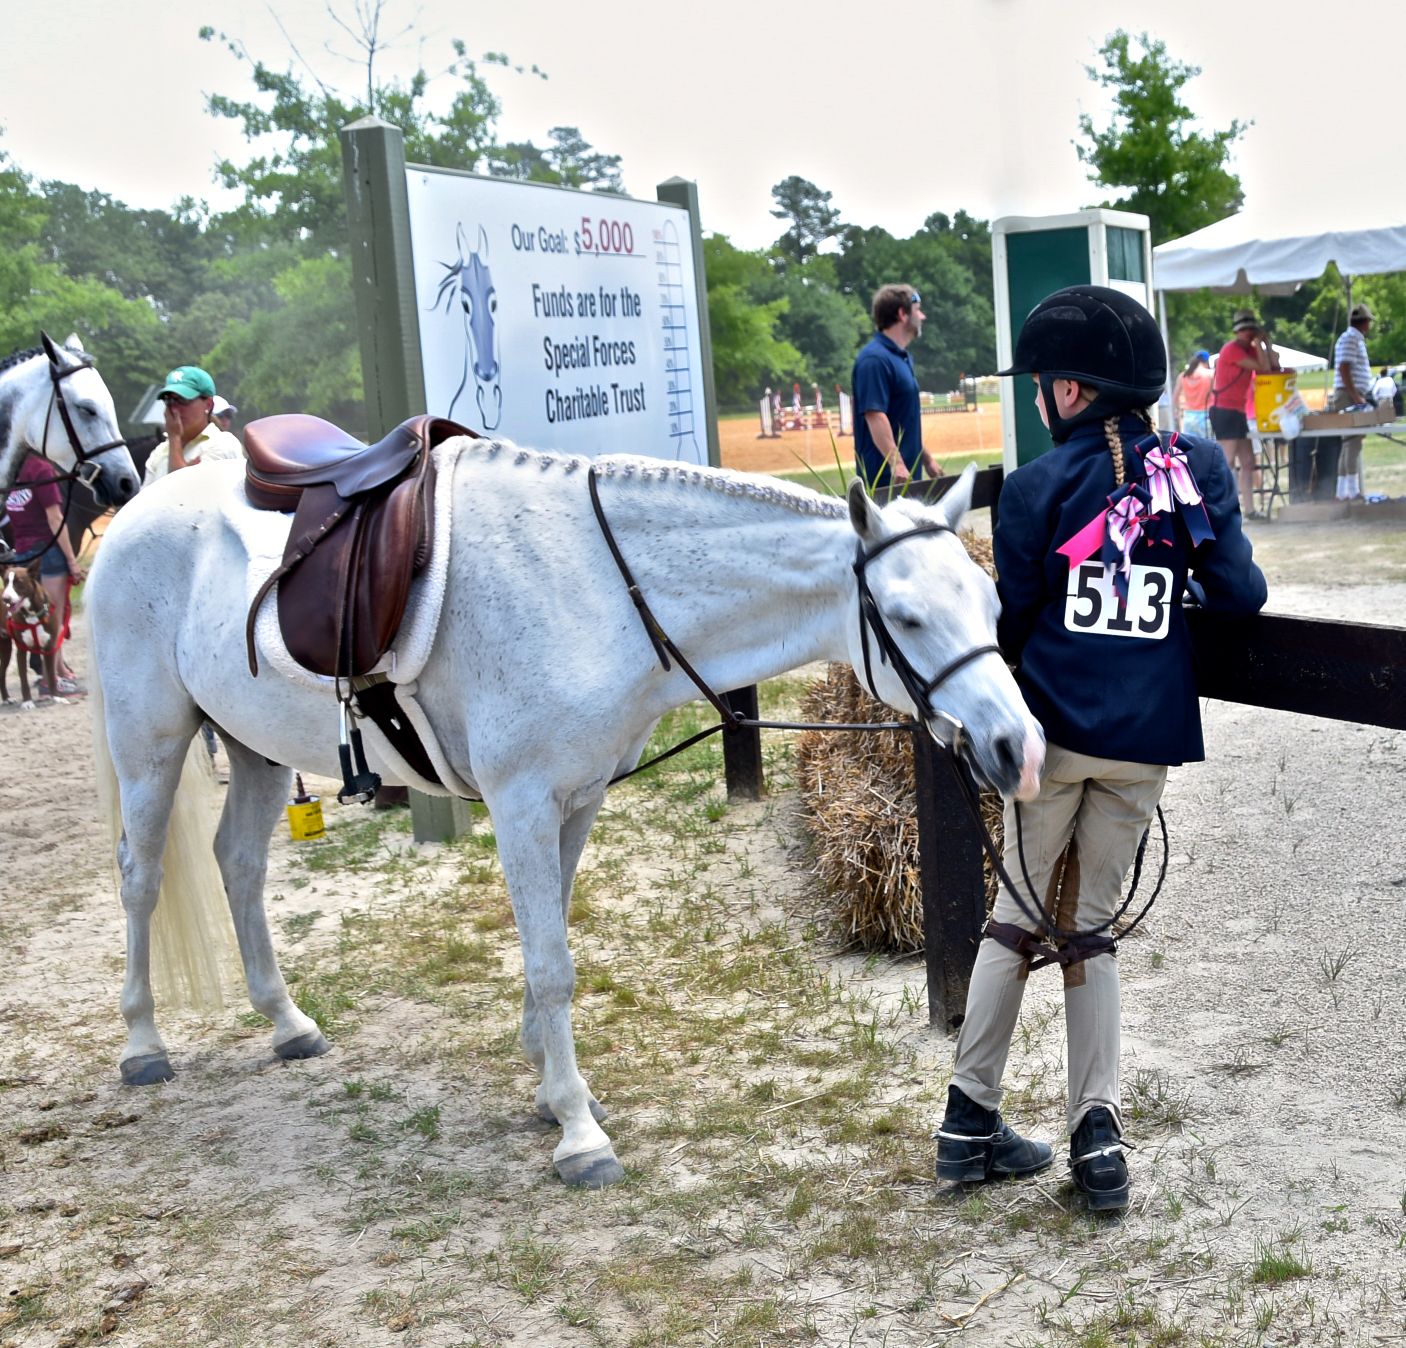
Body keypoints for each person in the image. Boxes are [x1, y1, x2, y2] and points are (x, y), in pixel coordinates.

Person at [934, 285, 1267, 1213]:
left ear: (1071, 394)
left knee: (1017, 911)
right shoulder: (1194, 467)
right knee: (1094, 925)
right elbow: (1243, 594)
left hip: (1053, 736)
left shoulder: (1034, 487)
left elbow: (1018, 618)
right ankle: (1098, 1135)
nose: (1042, 400)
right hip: (1141, 742)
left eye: (1045, 385)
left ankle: (968, 1118)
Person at [3, 452, 85, 690]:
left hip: (23, 553)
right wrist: (71, 560)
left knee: (37, 618)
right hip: (48, 552)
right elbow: (55, 518)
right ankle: (52, 680)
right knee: (53, 618)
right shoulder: (41, 469)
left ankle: (55, 673)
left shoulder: (11, 470)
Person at [852, 284, 943, 488]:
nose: (922, 317)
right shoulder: (874, 360)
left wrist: (926, 460)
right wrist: (897, 464)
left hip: (906, 476)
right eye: (917, 310)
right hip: (886, 481)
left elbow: (902, 421)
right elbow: (875, 415)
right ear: (902, 314)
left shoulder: (901, 358)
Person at [1209, 310, 1278, 519]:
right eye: (1245, 330)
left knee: (1247, 462)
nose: (1248, 334)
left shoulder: (1250, 349)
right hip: (1224, 410)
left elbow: (1273, 367)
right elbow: (1262, 366)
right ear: (1238, 331)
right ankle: (1216, 507)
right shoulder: (1232, 350)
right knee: (1227, 461)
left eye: (1251, 330)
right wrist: (1260, 346)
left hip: (1237, 412)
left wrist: (1267, 344)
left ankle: (1249, 509)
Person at [141, 365, 244, 488]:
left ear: (208, 404)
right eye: (169, 400)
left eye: (183, 400)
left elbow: (183, 498)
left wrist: (174, 438)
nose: (174, 409)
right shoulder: (160, 452)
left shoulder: (223, 444)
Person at [1331, 303, 1375, 500]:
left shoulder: (1351, 338)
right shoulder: (1351, 339)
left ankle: (1343, 491)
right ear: (1365, 322)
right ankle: (1351, 490)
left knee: (1349, 442)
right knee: (1353, 442)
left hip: (1350, 393)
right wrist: (1356, 396)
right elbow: (1344, 369)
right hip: (1349, 395)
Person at [1173, 350, 1213, 437]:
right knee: (1208, 447)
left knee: (1192, 447)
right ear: (1207, 361)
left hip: (1188, 417)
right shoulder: (1210, 375)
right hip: (1206, 416)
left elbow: (1175, 396)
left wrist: (1177, 410)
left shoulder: (1183, 376)